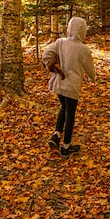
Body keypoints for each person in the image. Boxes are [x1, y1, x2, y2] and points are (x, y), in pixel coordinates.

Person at [42, 16, 96, 157]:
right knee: (70, 114)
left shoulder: (60, 43)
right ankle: (66, 147)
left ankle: (56, 135)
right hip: (72, 87)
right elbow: (90, 68)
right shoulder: (83, 49)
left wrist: (53, 66)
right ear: (82, 30)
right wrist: (93, 78)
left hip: (59, 84)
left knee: (64, 108)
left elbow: (46, 54)